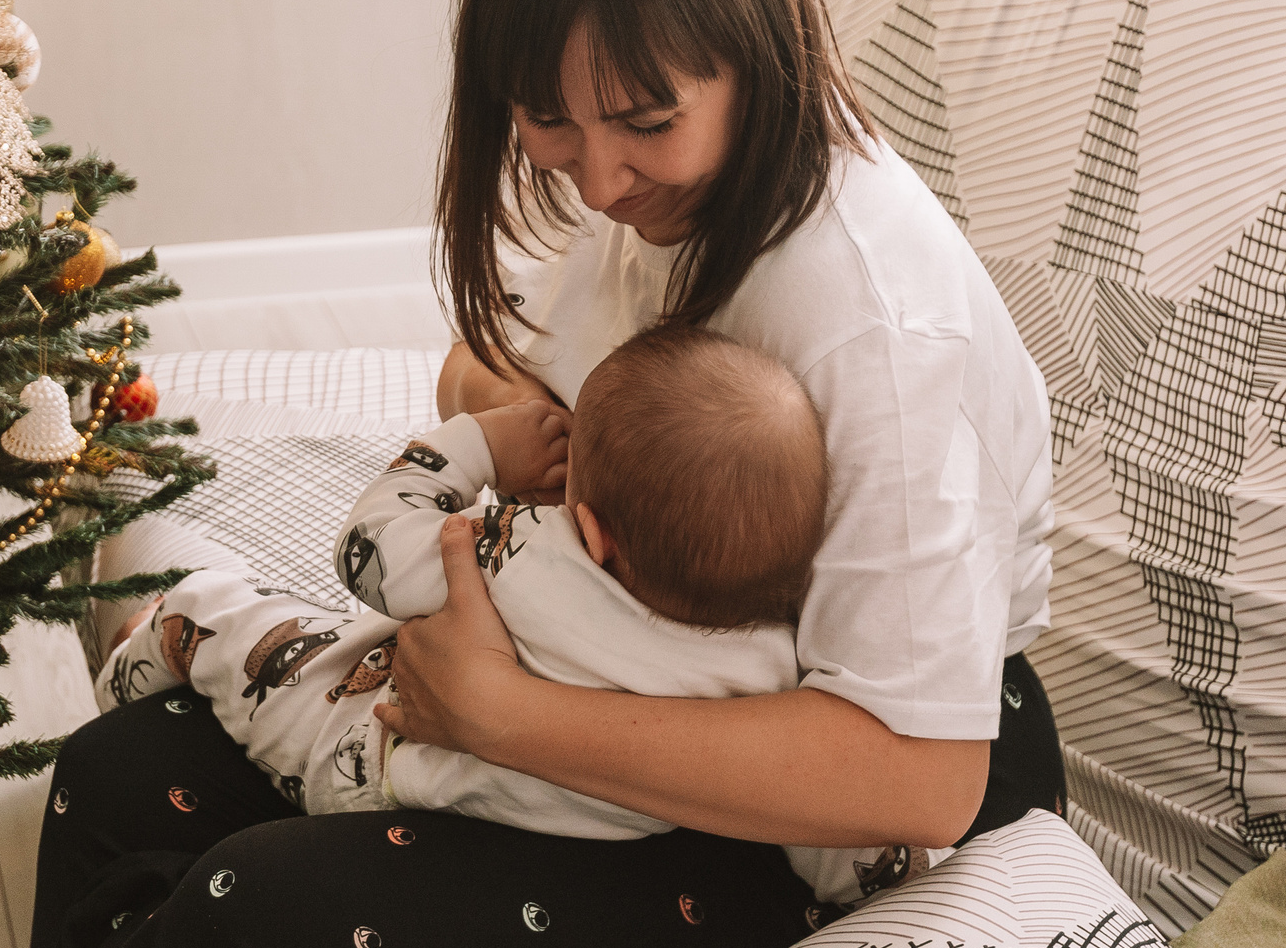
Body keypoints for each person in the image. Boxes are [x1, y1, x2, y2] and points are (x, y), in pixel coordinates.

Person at [19, 0, 1063, 948]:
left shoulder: (883, 332)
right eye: (549, 126)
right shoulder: (666, 210)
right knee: (106, 778)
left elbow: (923, 777)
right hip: (636, 675)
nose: (603, 174)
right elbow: (536, 386)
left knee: (239, 920)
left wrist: (509, 709)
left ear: (754, 55)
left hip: (821, 815)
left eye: (642, 122)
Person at [94, 326, 943, 914]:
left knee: (232, 615)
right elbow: (834, 842)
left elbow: (367, 550)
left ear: (595, 534)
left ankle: (146, 647)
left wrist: (478, 448)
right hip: (533, 843)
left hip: (363, 761)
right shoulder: (774, 674)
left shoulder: (524, 554)